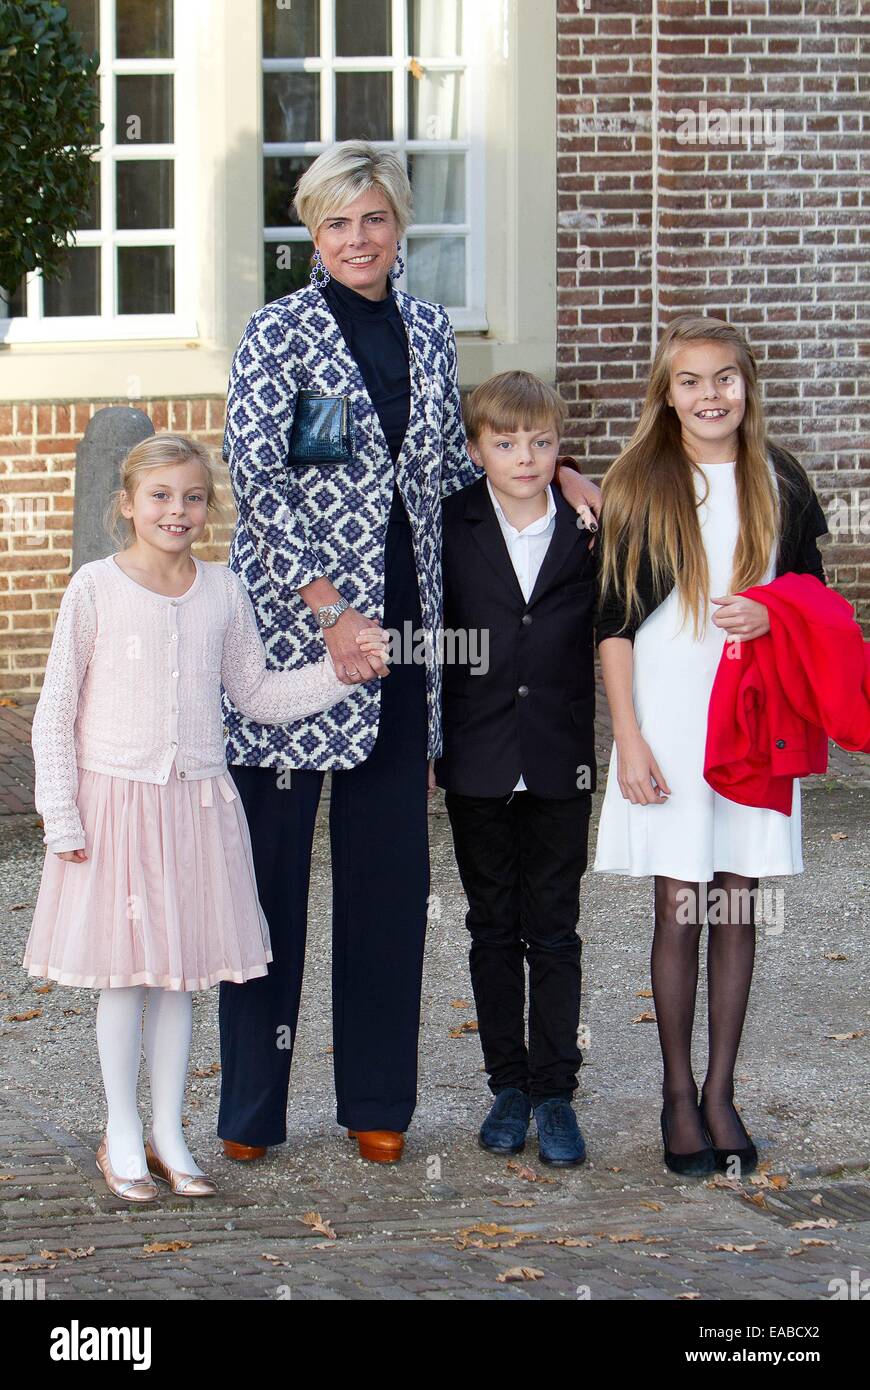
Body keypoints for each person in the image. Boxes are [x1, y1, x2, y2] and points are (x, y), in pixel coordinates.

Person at [219, 141, 601, 1165]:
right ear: (313, 232)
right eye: (338, 222)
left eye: (375, 218)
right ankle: (253, 1108)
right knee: (271, 884)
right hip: (297, 650)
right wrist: (331, 611)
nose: (359, 239)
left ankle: (376, 1102)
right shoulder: (278, 334)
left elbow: (451, 469)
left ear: (400, 226)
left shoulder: (430, 333)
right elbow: (260, 484)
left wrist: (557, 481)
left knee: (388, 882)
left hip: (407, 645)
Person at [23, 433, 385, 1201]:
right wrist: (61, 813)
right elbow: (56, 708)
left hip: (195, 802)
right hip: (115, 799)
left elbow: (253, 695)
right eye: (159, 496)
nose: (176, 510)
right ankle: (121, 1130)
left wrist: (340, 674)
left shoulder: (223, 589)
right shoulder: (95, 587)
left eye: (191, 497)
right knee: (124, 977)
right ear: (127, 505)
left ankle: (168, 1130)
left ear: (208, 506)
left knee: (180, 978)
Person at [593, 315, 828, 1177]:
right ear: (666, 395)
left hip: (754, 713)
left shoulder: (780, 481)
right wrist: (629, 739)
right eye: (689, 381)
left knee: (739, 894)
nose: (709, 395)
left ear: (747, 386)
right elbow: (612, 625)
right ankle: (676, 1095)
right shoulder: (641, 484)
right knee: (681, 903)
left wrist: (778, 611)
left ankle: (723, 1089)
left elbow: (818, 599)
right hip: (669, 717)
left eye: (724, 377)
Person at [434, 371, 598, 1166]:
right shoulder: (448, 523)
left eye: (541, 443)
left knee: (556, 928)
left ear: (560, 447)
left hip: (560, 754)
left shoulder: (592, 524)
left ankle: (555, 1091)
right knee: (492, 925)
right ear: (476, 450)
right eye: (505, 443)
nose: (525, 457)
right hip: (478, 755)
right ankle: (507, 1083)